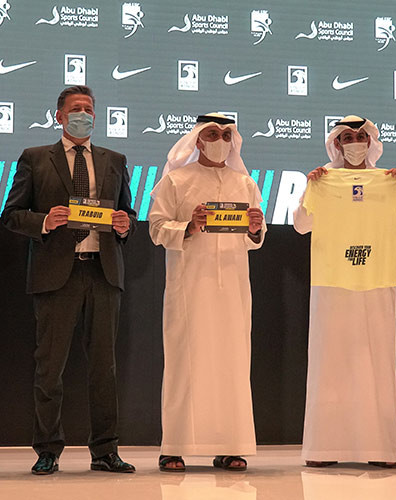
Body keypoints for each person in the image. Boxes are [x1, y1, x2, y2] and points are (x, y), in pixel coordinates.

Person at [2, 86, 137, 474]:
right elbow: (12, 214)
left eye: (89, 109)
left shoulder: (114, 160)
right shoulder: (35, 158)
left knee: (104, 369)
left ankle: (105, 450)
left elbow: (126, 213)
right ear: (59, 116)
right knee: (50, 368)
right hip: (56, 274)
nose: (84, 114)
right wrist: (45, 220)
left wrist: (125, 225)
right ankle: (47, 449)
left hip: (102, 272)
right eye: (76, 108)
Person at [293, 115, 396, 468]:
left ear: (371, 141)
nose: (354, 142)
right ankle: (324, 449)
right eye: (347, 137)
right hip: (332, 284)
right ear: (336, 144)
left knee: (376, 362)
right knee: (330, 362)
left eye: (360, 136)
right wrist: (311, 188)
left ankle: (381, 449)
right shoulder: (322, 180)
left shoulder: (389, 181)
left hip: (377, 282)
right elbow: (301, 226)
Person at [149, 113, 265, 472]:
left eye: (226, 135)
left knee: (232, 363)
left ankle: (231, 446)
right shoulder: (176, 179)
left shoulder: (245, 183)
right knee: (185, 362)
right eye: (212, 134)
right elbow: (156, 227)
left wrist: (256, 229)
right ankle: (175, 446)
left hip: (232, 287)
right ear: (197, 140)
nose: (220, 141)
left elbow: (253, 239)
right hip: (190, 286)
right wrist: (189, 226)